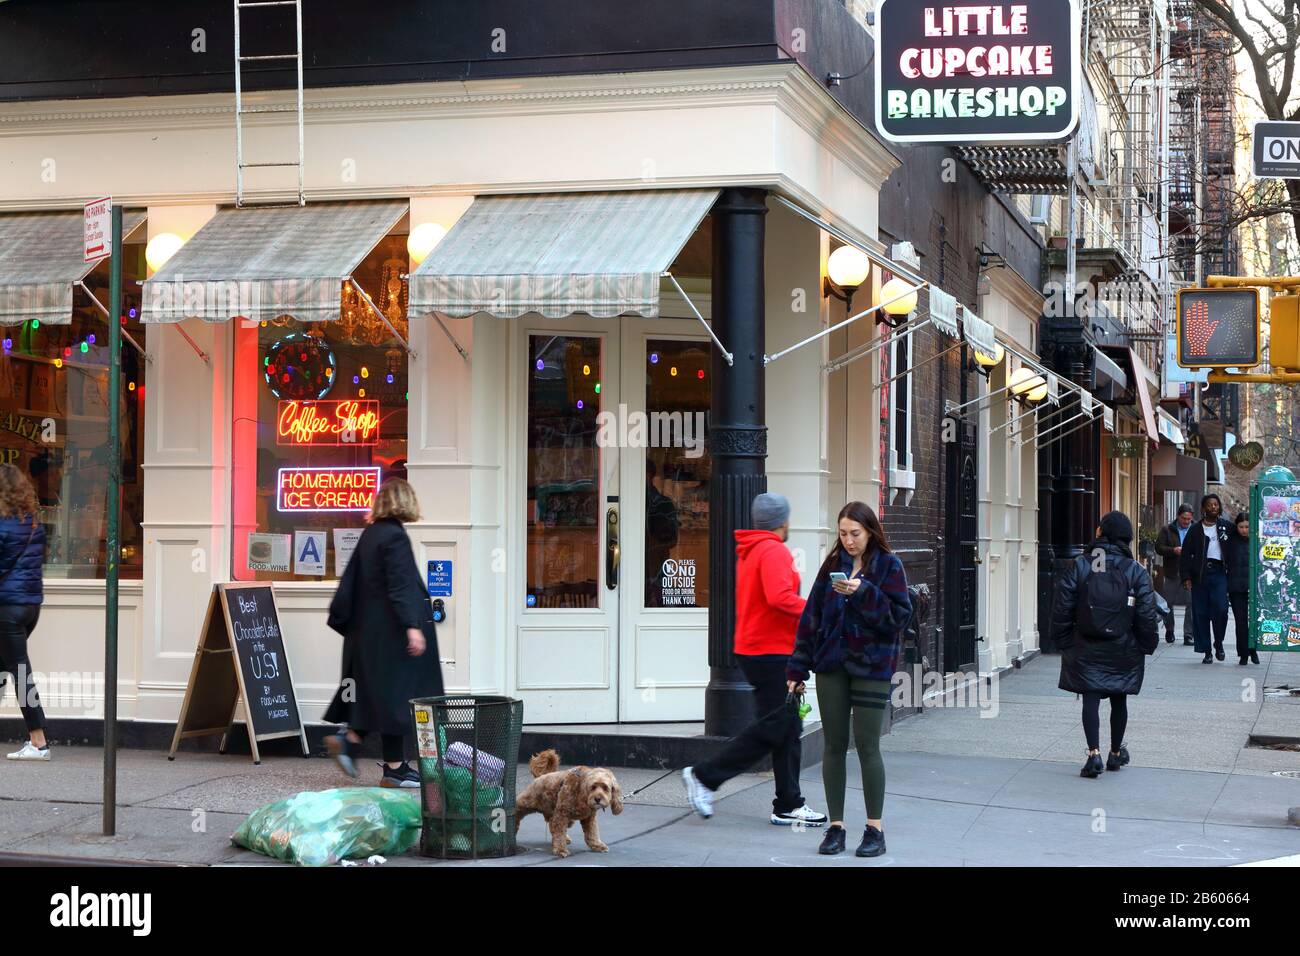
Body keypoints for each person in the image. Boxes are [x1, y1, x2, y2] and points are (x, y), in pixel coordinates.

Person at [681, 493, 827, 827]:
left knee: (789, 726)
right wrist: (815, 611)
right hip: (771, 651)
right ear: (783, 521)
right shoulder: (773, 550)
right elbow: (779, 598)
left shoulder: (752, 549)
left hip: (758, 649)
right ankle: (705, 776)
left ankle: (788, 803)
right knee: (778, 725)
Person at [786, 502, 911, 857]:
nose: (849, 540)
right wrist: (797, 669)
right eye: (843, 533)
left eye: (855, 533)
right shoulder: (832, 566)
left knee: (868, 746)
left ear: (870, 531)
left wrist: (863, 593)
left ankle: (875, 829)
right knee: (833, 746)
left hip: (872, 667)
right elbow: (811, 618)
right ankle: (836, 828)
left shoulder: (889, 566)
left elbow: (898, 619)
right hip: (831, 666)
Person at [324, 478, 444, 787]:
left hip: (367, 636)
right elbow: (401, 585)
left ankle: (377, 756)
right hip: (391, 636)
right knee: (401, 697)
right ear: (405, 501)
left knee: (386, 698)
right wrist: (413, 627)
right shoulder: (394, 537)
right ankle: (390, 765)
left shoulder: (371, 534)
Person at [1052, 512, 1159, 778]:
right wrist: (1146, 643)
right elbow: (1146, 613)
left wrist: (1064, 640)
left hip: (1086, 642)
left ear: (1101, 533)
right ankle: (1115, 753)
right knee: (1119, 698)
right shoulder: (1135, 570)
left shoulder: (1081, 564)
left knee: (1090, 697)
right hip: (1123, 645)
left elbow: (1062, 606)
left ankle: (1093, 754)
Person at [0, 464, 49, 761]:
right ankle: (37, 739)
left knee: (20, 674)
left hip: (6, 608)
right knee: (6, 666)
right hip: (30, 606)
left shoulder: (2, 524)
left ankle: (39, 741)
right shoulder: (33, 523)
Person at [1180, 493, 1235, 664]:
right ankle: (1207, 651)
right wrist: (1186, 577)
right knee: (1201, 613)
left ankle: (1218, 642)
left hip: (1219, 573)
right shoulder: (1195, 530)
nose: (1213, 507)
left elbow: (1239, 544)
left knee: (1221, 609)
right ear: (1203, 508)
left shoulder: (1227, 527)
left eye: (1216, 504)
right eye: (1210, 505)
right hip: (1200, 576)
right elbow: (1185, 555)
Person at [1155, 504, 1196, 645]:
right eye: (1184, 518)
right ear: (1178, 516)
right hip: (1172, 572)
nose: (1186, 522)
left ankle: (1188, 634)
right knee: (1168, 603)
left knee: (1191, 603)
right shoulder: (1167, 529)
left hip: (1190, 573)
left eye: (1189, 519)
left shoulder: (1196, 529)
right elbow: (1158, 548)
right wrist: (1173, 550)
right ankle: (1170, 630)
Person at [1225, 511, 1258, 666]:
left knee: (1255, 621)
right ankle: (1243, 653)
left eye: (1247, 527)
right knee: (1240, 621)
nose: (1244, 530)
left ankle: (1254, 650)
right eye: (1241, 527)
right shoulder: (1231, 541)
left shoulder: (1257, 541)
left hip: (1254, 588)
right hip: (1236, 587)